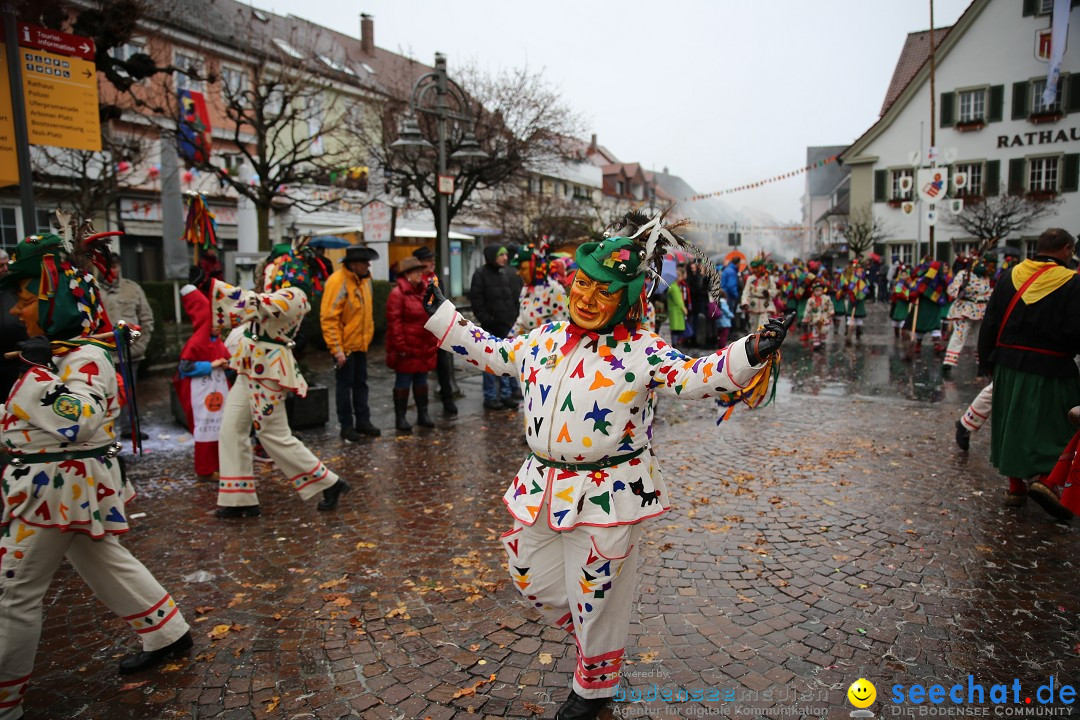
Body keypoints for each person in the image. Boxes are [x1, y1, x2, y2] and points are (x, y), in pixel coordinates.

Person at [422, 225, 792, 720]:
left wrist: (752, 350)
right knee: (529, 574)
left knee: (598, 595)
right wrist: (442, 314)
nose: (588, 297)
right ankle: (592, 637)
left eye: (605, 290)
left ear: (627, 300)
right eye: (583, 283)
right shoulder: (546, 339)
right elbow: (493, 351)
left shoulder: (642, 349)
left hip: (611, 493)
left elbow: (696, 376)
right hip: (542, 485)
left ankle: (594, 688)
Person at [0, 232, 193, 720]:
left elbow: (80, 418)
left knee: (12, 593)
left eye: (25, 300)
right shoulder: (68, 354)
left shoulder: (84, 357)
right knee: (100, 557)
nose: (15, 312)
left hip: (54, 491)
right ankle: (167, 631)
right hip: (63, 488)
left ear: (50, 305)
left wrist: (35, 374)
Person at [198, 242, 350, 518]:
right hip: (250, 365)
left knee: (273, 433)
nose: (270, 271)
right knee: (231, 429)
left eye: (274, 266)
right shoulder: (280, 291)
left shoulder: (295, 297)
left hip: (269, 369)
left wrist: (211, 286)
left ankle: (330, 482)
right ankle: (238, 498)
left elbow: (256, 305)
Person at [977, 228, 1080, 519]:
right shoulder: (1072, 282)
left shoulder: (1009, 276)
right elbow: (1076, 330)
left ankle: (1015, 487)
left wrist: (986, 362)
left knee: (1012, 425)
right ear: (1067, 249)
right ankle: (1048, 482)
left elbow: (991, 322)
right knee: (1061, 426)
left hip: (1007, 366)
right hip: (1051, 368)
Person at [320, 245, 380, 441]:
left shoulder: (363, 281)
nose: (368, 265)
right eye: (364, 262)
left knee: (361, 384)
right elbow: (329, 318)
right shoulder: (337, 282)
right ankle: (347, 425)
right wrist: (337, 349)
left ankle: (363, 421)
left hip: (360, 344)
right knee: (344, 387)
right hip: (344, 346)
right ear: (353, 264)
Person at [173, 283, 231, 481]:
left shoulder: (217, 341)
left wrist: (225, 365)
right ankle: (205, 469)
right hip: (200, 395)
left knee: (220, 428)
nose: (219, 327)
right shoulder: (196, 342)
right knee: (206, 430)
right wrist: (211, 365)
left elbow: (227, 360)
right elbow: (185, 368)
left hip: (217, 391)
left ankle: (218, 465)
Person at [98, 253, 154, 440]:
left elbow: (146, 319)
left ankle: (130, 427)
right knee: (105, 393)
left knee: (129, 392)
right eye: (108, 267)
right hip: (103, 355)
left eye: (115, 267)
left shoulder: (132, 289)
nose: (112, 271)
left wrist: (140, 346)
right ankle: (107, 430)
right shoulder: (93, 290)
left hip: (131, 354)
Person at [386, 256, 438, 433]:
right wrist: (400, 346)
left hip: (423, 346)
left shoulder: (424, 291)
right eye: (416, 271)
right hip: (407, 348)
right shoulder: (398, 294)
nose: (420, 274)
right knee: (403, 382)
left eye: (420, 271)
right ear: (407, 274)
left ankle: (422, 414)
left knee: (421, 382)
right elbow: (394, 323)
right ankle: (400, 417)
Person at [468, 245, 520, 410]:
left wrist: (512, 318)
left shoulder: (503, 273)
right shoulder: (480, 275)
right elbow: (477, 302)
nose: (505, 257)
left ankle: (505, 395)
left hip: (505, 325)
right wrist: (488, 320)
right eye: (501, 255)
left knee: (505, 361)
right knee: (490, 362)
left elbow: (508, 299)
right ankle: (490, 397)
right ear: (492, 256)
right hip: (491, 326)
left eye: (506, 254)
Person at [414, 246, 458, 417]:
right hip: (422, 334)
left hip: (437, 332)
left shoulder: (435, 279)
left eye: (432, 259)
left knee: (443, 368)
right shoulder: (417, 281)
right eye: (427, 260)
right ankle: (422, 411)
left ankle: (448, 400)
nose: (432, 263)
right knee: (420, 374)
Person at [942, 255, 992, 376]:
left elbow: (988, 292)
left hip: (981, 311)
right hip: (965, 310)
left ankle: (982, 362)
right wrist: (961, 287)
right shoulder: (963, 274)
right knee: (959, 335)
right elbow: (952, 290)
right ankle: (948, 363)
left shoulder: (986, 277)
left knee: (980, 338)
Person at [741, 256, 776, 332]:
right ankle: (754, 343)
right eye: (754, 268)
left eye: (757, 267)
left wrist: (768, 293)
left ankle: (763, 343)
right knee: (753, 328)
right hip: (753, 305)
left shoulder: (769, 278)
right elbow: (746, 292)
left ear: (762, 267)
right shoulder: (750, 279)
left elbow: (774, 291)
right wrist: (745, 302)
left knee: (763, 328)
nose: (755, 270)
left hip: (766, 306)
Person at [802, 279, 835, 350]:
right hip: (815, 318)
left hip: (824, 318)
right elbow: (807, 310)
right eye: (816, 290)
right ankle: (816, 344)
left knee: (824, 331)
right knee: (815, 330)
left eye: (820, 290)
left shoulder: (826, 299)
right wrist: (806, 317)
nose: (818, 292)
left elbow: (831, 306)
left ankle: (823, 341)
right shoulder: (811, 300)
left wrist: (831, 312)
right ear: (813, 291)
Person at [666, 265, 688, 348]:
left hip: (676, 311)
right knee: (676, 329)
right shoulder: (674, 287)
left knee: (676, 329)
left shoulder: (674, 286)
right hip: (676, 311)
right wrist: (683, 308)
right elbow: (678, 300)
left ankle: (676, 343)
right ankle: (675, 344)